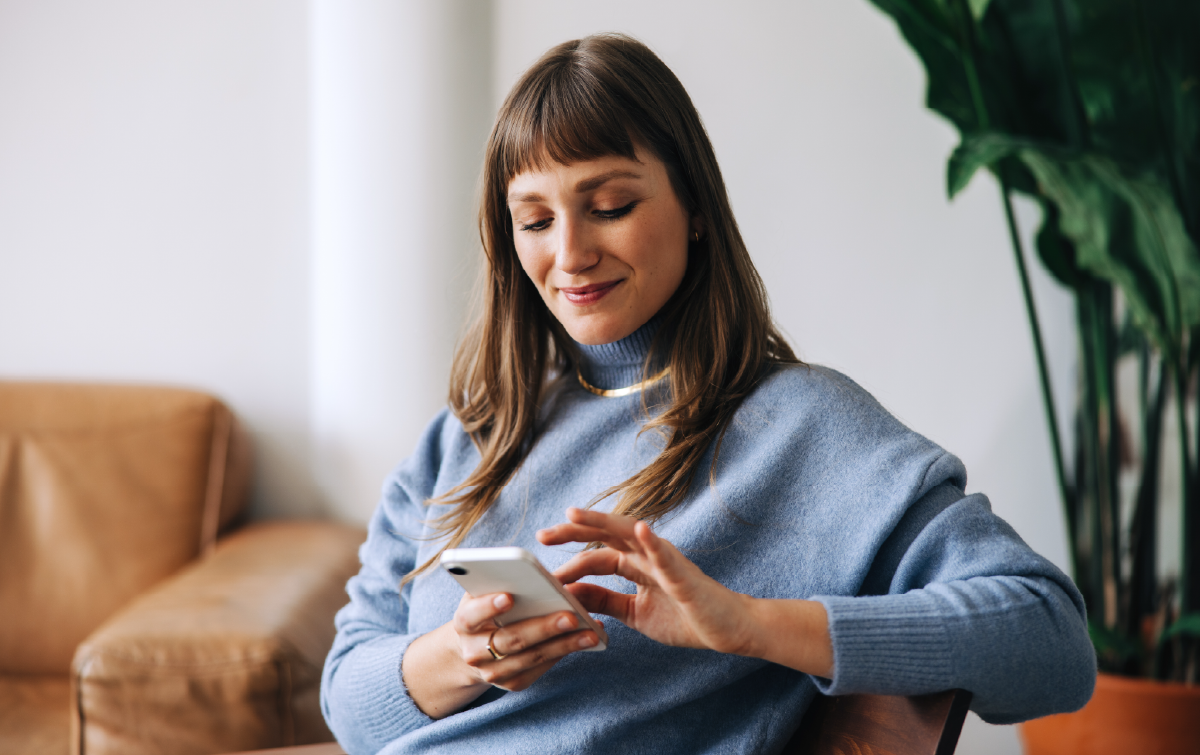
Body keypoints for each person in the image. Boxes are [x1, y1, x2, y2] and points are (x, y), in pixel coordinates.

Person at [320, 33, 1095, 755]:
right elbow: (346, 699)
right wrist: (462, 656)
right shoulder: (471, 433)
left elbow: (1052, 640)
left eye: (611, 206)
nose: (570, 254)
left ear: (694, 207)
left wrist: (752, 624)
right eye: (534, 219)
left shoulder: (803, 427)